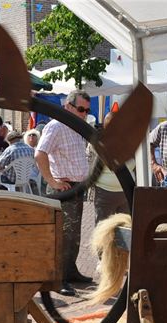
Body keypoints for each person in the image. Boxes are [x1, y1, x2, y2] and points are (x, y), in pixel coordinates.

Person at [35, 89, 93, 297]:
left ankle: (69, 271)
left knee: (73, 234)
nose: (84, 114)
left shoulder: (76, 127)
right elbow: (40, 154)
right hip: (63, 188)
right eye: (81, 109)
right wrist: (52, 181)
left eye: (87, 110)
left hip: (75, 187)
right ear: (68, 107)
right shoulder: (56, 126)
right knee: (62, 235)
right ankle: (58, 279)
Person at [93, 112, 135, 224]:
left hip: (126, 194)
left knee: (125, 227)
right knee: (103, 227)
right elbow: (92, 168)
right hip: (105, 194)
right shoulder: (99, 143)